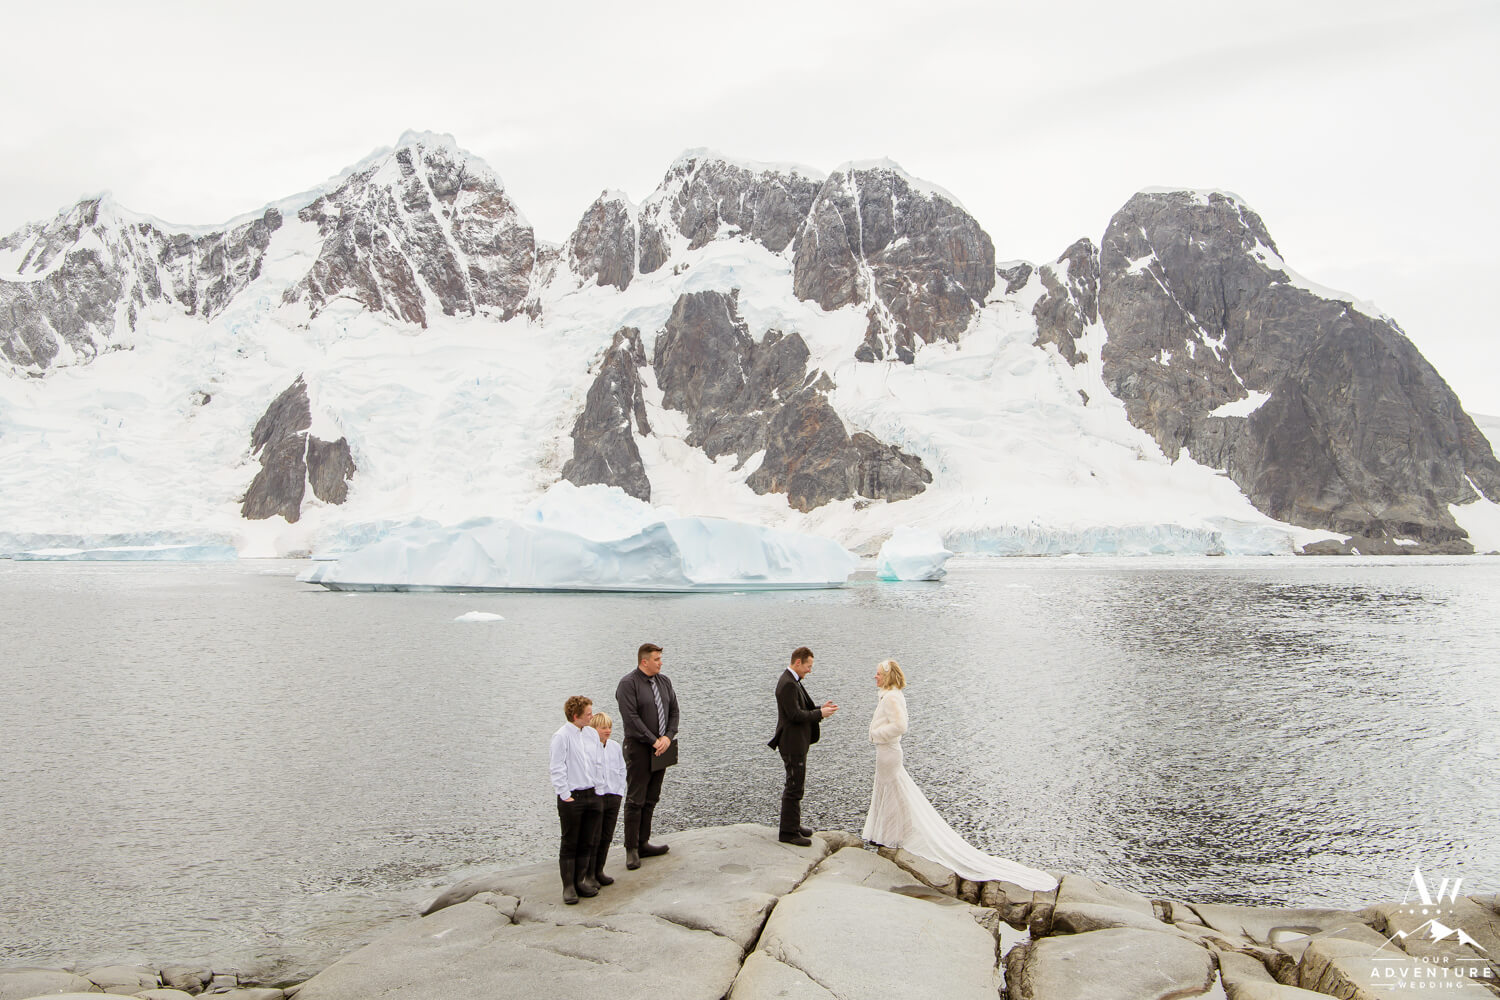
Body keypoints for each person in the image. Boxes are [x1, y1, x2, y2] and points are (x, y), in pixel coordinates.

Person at [862, 660, 1055, 889]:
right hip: (886, 753)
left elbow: (900, 726)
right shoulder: (889, 695)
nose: (875, 677)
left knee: (893, 791)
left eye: (878, 674)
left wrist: (876, 734)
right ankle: (889, 833)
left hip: (889, 752)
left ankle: (892, 835)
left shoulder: (891, 698)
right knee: (890, 790)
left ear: (887, 676)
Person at [615, 642, 679, 869]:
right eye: (657, 659)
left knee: (652, 797)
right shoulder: (628, 684)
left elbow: (674, 711)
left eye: (660, 659)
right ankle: (631, 848)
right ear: (644, 661)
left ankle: (644, 842)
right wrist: (653, 740)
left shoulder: (664, 681)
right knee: (636, 799)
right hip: (639, 748)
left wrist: (668, 737)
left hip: (662, 747)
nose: (661, 663)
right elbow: (631, 718)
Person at [768, 646, 837, 846]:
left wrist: (820, 708)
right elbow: (795, 715)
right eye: (808, 666)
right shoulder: (788, 684)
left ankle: (794, 825)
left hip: (796, 742)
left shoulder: (792, 681)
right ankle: (788, 832)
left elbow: (802, 708)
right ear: (798, 662)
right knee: (794, 787)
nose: (810, 670)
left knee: (796, 785)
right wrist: (820, 714)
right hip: (791, 743)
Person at [549, 695, 603, 904]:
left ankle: (580, 881)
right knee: (570, 841)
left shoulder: (591, 734)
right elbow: (557, 767)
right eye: (588, 714)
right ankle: (568, 887)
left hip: (592, 794)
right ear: (575, 716)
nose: (591, 716)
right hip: (573, 797)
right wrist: (565, 794)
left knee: (588, 841)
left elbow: (598, 762)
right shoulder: (561, 736)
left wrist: (599, 789)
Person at [588, 711, 627, 886]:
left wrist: (619, 791)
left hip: (613, 795)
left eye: (609, 727)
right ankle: (589, 874)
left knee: (606, 836)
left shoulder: (615, 746)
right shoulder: (589, 748)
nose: (608, 730)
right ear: (594, 729)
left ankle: (599, 871)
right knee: (594, 837)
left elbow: (621, 769)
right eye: (604, 727)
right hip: (597, 797)